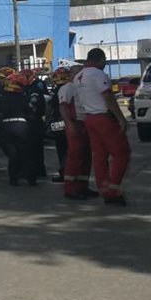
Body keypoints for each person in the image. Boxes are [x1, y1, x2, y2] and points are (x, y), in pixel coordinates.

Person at [75, 48, 131, 206]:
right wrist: (121, 118)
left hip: (89, 118)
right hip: (103, 118)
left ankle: (104, 188)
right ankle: (113, 190)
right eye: (104, 59)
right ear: (100, 59)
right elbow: (107, 96)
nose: (105, 63)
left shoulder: (78, 76)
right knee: (122, 153)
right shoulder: (97, 74)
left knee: (99, 155)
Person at [59, 65, 99, 200]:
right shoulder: (67, 88)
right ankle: (70, 188)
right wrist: (69, 124)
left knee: (86, 156)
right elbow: (63, 107)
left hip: (85, 123)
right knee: (75, 156)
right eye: (78, 73)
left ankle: (82, 186)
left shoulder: (81, 88)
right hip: (75, 124)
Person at [0, 72, 37, 186]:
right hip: (21, 126)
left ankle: (13, 178)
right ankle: (30, 178)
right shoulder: (23, 98)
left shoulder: (2, 98)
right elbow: (30, 113)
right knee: (25, 153)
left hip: (5, 127)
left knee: (13, 154)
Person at [46, 67, 72, 183]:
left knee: (62, 149)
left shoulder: (57, 91)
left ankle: (65, 172)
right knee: (68, 149)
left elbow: (52, 107)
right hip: (67, 121)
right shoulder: (70, 88)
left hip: (60, 121)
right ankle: (66, 172)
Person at [24, 69, 48, 179]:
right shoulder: (28, 88)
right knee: (35, 148)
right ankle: (38, 169)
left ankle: (37, 170)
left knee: (34, 148)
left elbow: (37, 105)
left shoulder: (34, 89)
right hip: (33, 121)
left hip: (34, 121)